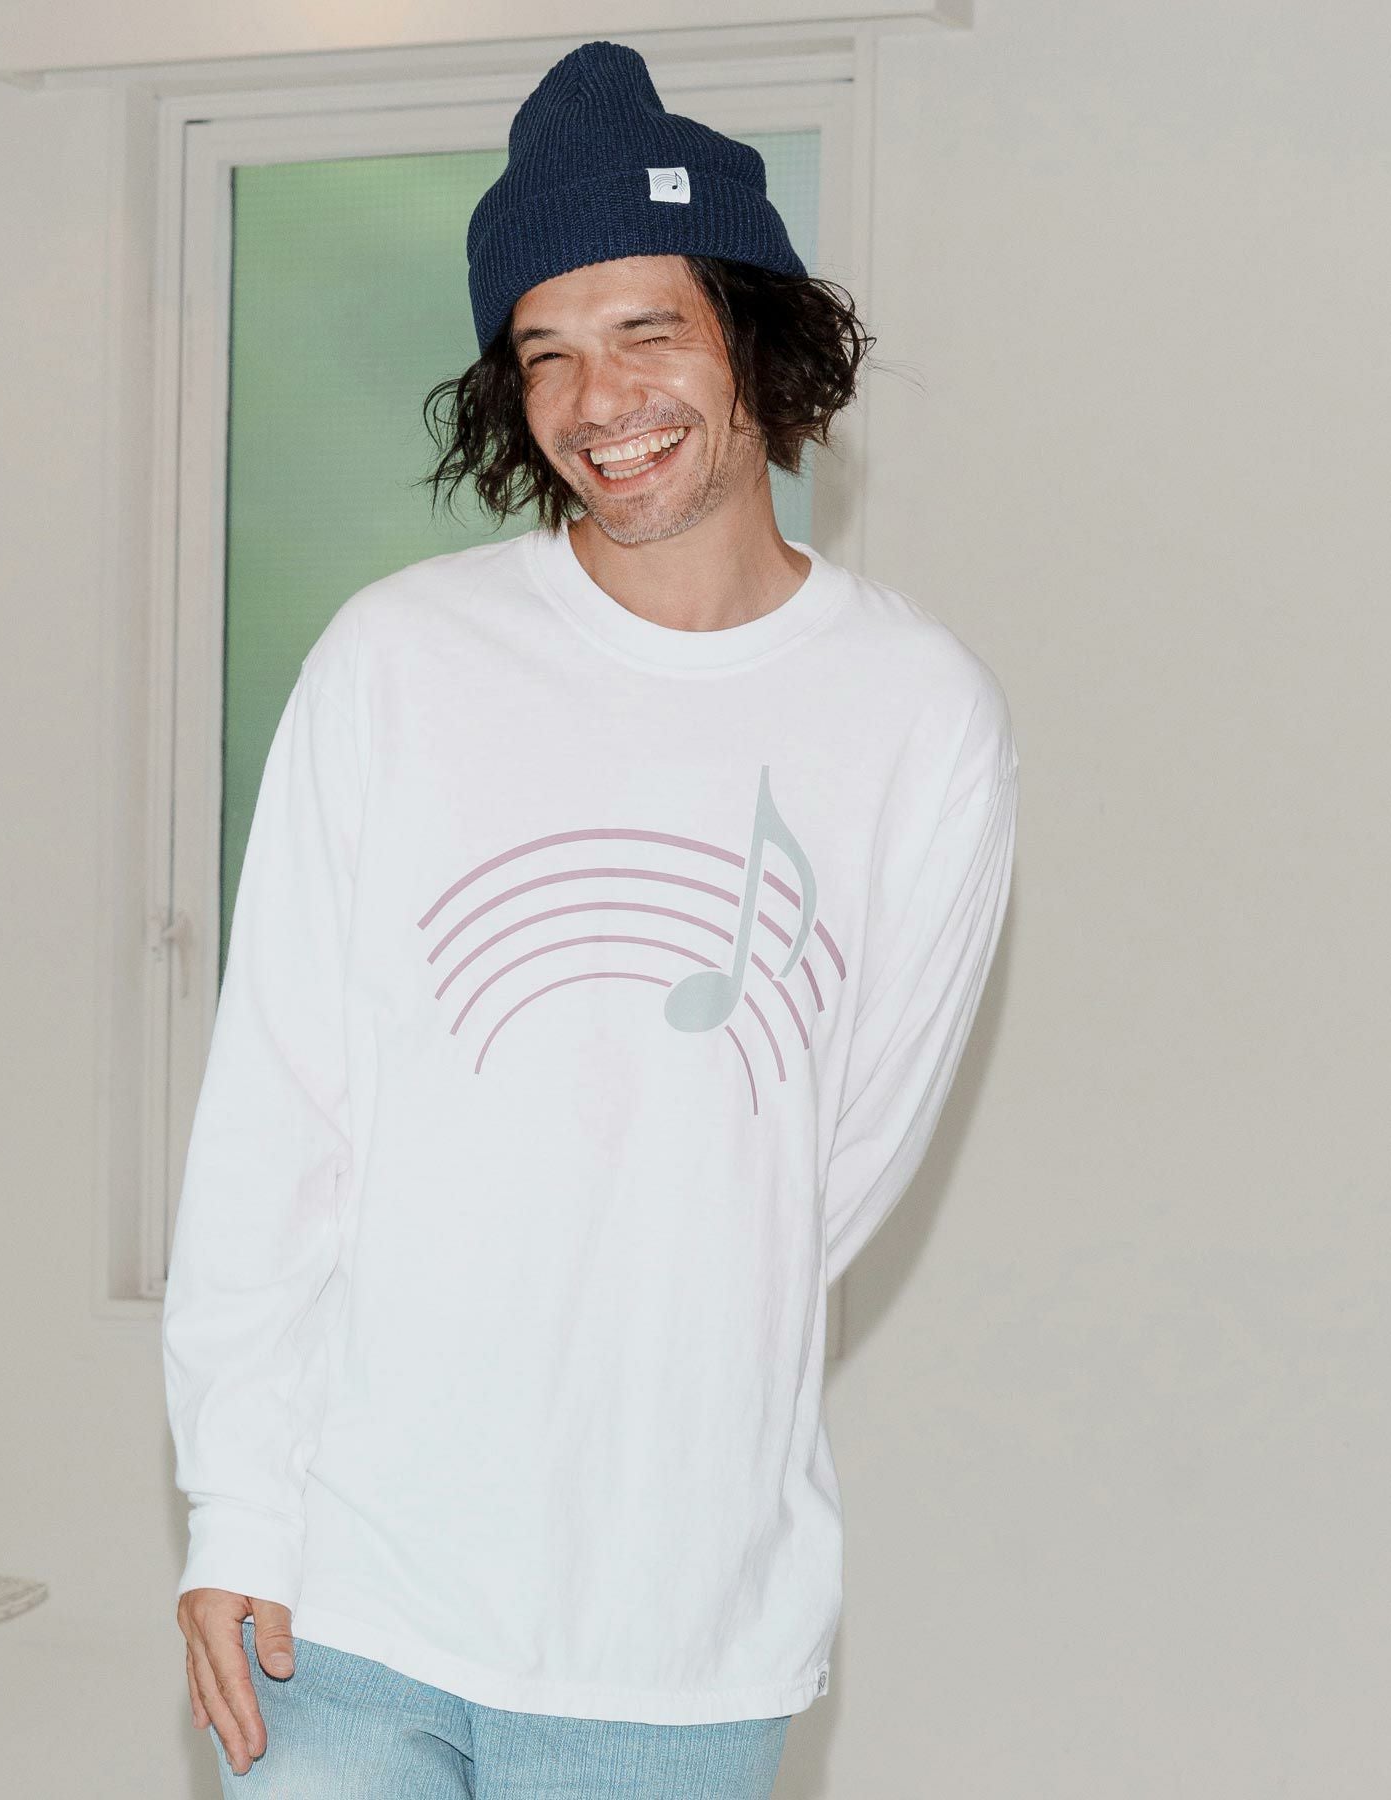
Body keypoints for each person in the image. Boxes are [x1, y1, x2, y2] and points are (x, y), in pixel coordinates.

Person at [162, 36, 1020, 1799]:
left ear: (756, 338)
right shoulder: (400, 660)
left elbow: (835, 1157)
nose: (596, 395)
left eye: (647, 329)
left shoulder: (917, 713)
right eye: (544, 348)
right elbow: (277, 1110)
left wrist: (662, 1264)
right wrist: (236, 1505)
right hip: (344, 1602)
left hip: (676, 1630)